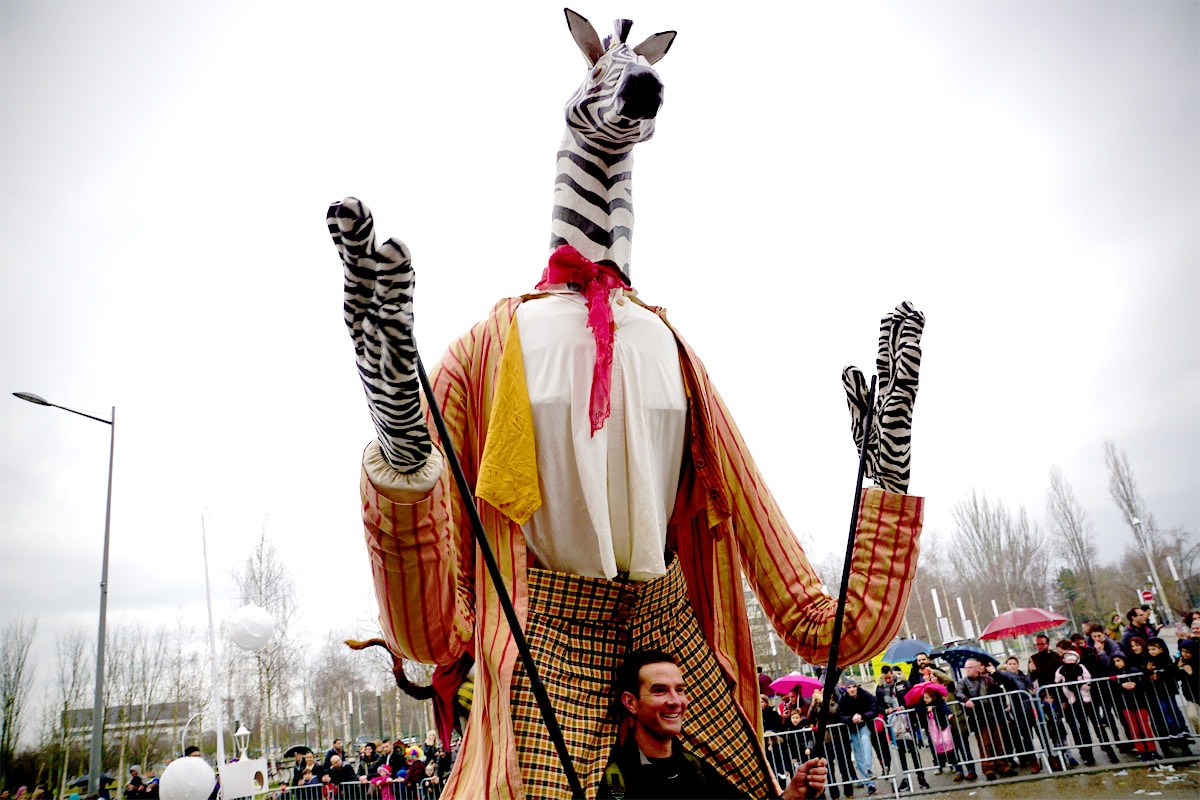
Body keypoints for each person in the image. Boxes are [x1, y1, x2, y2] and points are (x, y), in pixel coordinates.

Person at [327, 14, 926, 800]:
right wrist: (406, 458)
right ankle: (403, 437)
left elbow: (827, 627)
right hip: (544, 637)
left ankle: (404, 440)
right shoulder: (486, 351)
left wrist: (885, 474)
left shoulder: (671, 354)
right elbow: (434, 631)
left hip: (666, 626)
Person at [597, 650, 827, 799]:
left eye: (680, 690)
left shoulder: (697, 768)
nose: (676, 702)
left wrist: (794, 793)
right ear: (631, 702)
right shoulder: (612, 779)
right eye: (659, 691)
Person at [955, 659, 1013, 780]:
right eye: (966, 668)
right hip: (979, 717)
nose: (967, 670)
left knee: (999, 742)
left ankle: (1002, 765)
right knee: (984, 744)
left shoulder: (988, 680)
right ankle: (988, 768)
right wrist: (966, 700)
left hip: (994, 715)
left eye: (970, 667)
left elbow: (999, 691)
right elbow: (958, 692)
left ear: (977, 668)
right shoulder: (963, 682)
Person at [1109, 653, 1160, 761]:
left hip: (1139, 703)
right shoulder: (1114, 673)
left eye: (1118, 660)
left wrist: (1136, 685)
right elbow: (1112, 687)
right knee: (1134, 729)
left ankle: (1152, 750)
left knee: (1145, 728)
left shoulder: (1134, 670)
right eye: (1114, 662)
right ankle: (1141, 751)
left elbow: (1145, 683)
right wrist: (1121, 686)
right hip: (1126, 705)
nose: (1116, 664)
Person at [835, 679, 878, 796]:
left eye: (854, 686)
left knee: (865, 741)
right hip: (852, 729)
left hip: (864, 725)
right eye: (849, 687)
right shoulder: (843, 699)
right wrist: (850, 719)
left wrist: (863, 716)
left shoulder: (865, 695)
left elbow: (874, 707)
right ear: (846, 689)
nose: (852, 689)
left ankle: (868, 769)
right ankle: (870, 784)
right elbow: (840, 715)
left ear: (857, 687)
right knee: (858, 756)